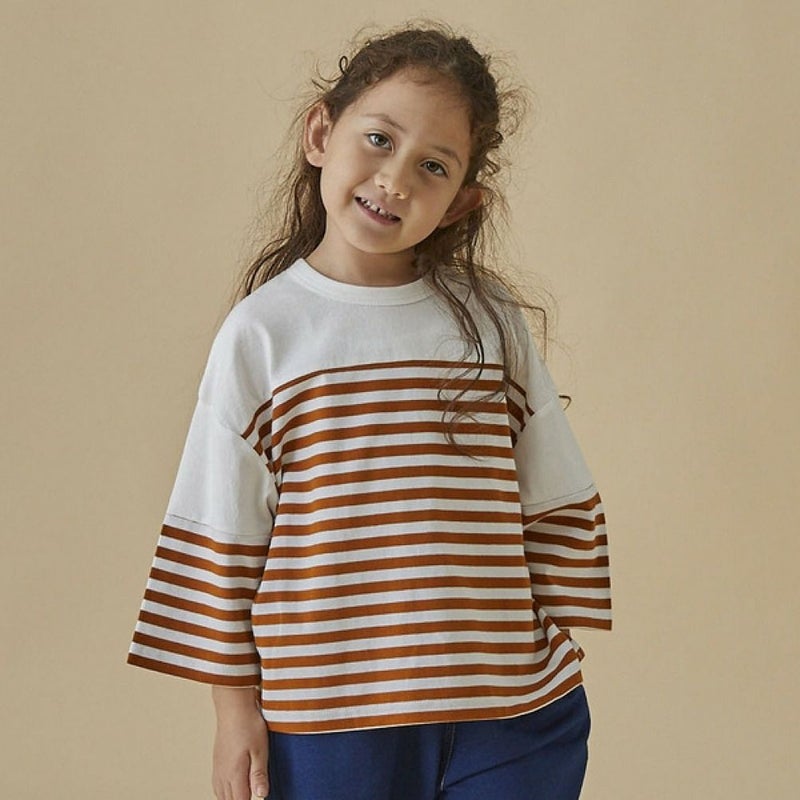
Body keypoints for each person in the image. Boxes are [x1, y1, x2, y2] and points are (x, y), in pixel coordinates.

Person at [127, 21, 612, 800]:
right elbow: (223, 533)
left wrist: (547, 628)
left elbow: (551, 490)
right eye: (380, 139)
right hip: (330, 720)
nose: (395, 180)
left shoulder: (489, 322)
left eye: (433, 166)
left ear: (461, 202)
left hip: (510, 714)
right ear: (322, 133)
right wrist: (234, 712)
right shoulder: (264, 333)